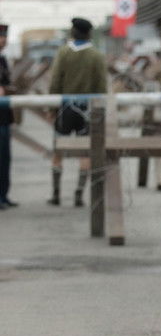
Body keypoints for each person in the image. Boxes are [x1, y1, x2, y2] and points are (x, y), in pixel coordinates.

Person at [48, 17, 107, 207]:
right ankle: (79, 194)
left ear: (73, 32)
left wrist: (51, 108)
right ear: (89, 33)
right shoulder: (96, 56)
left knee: (58, 150)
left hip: (64, 109)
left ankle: (56, 193)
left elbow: (55, 81)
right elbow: (101, 86)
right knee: (85, 153)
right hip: (86, 111)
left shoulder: (63, 52)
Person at [0, 24, 17, 210]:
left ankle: (3, 195)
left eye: (5, 36)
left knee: (5, 158)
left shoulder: (3, 59)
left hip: (4, 115)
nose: (3, 40)